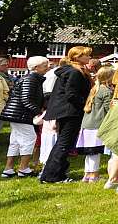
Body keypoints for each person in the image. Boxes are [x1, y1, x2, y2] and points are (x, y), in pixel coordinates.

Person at [40, 47, 93, 183]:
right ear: (77, 57)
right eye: (86, 55)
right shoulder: (74, 72)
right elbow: (71, 94)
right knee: (64, 143)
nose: (88, 58)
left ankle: (53, 173)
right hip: (70, 111)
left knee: (63, 143)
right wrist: (85, 105)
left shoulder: (73, 70)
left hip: (67, 111)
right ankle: (52, 176)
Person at [0, 56, 49, 177]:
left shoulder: (31, 78)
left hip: (17, 114)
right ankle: (24, 168)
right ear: (36, 67)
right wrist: (39, 112)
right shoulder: (31, 79)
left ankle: (8, 169)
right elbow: (26, 100)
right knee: (29, 138)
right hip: (21, 114)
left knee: (15, 141)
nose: (47, 68)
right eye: (44, 65)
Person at [76, 66, 115, 182]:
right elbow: (109, 109)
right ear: (109, 78)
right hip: (96, 125)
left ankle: (87, 174)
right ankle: (94, 175)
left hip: (87, 124)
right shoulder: (106, 91)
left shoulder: (94, 89)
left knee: (89, 152)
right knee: (95, 151)